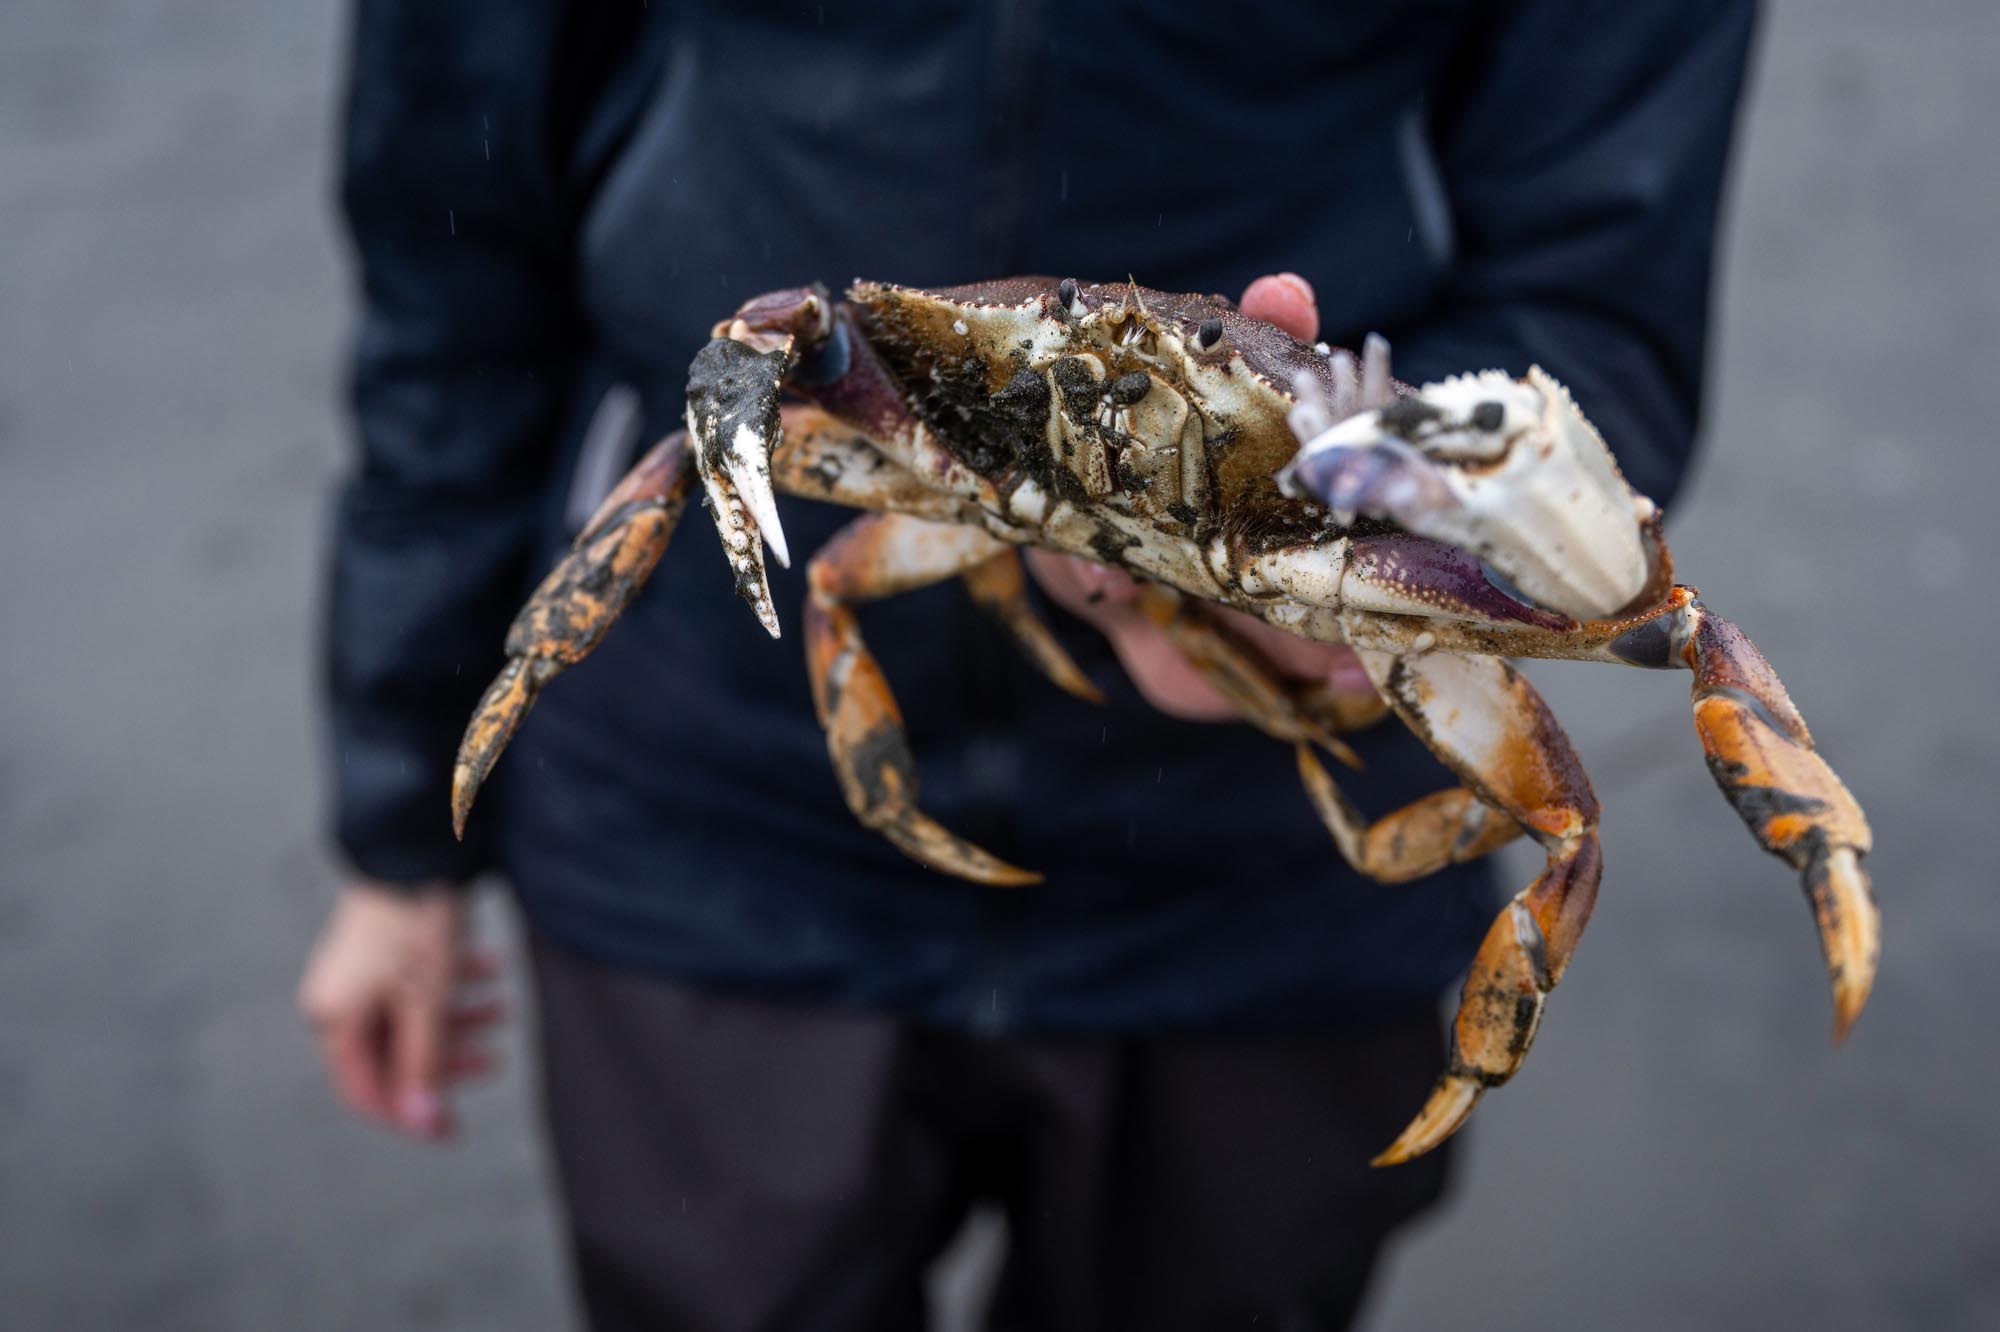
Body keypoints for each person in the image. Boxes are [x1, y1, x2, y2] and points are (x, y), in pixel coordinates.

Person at [299, 3, 1757, 1328]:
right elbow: (450, 242)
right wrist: (396, 829)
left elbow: (1594, 307)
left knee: (1580, 796)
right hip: (713, 830)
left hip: (1269, 881)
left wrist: (1400, 557)